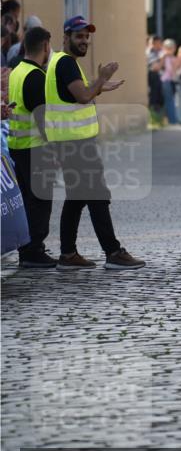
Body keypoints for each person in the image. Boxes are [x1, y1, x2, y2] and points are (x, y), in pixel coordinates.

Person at [44, 15, 145, 269]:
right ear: (65, 37)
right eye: (79, 36)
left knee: (76, 197)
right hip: (76, 145)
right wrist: (99, 80)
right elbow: (82, 96)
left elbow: (77, 94)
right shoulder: (66, 63)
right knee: (97, 195)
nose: (84, 41)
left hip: (68, 143)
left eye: (87, 36)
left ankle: (68, 255)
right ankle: (113, 252)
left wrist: (99, 86)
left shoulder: (61, 62)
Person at [7, 26, 57, 267]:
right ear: (46, 46)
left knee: (28, 200)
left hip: (17, 145)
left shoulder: (17, 71)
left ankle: (28, 249)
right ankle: (34, 250)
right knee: (40, 201)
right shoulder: (36, 77)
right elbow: (43, 117)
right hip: (35, 148)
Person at [159, 38, 181, 124]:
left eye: (172, 47)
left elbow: (174, 70)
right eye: (169, 47)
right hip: (165, 80)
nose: (172, 49)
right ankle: (173, 120)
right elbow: (168, 70)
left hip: (170, 81)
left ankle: (167, 120)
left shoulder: (172, 58)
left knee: (169, 101)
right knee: (170, 101)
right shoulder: (163, 56)